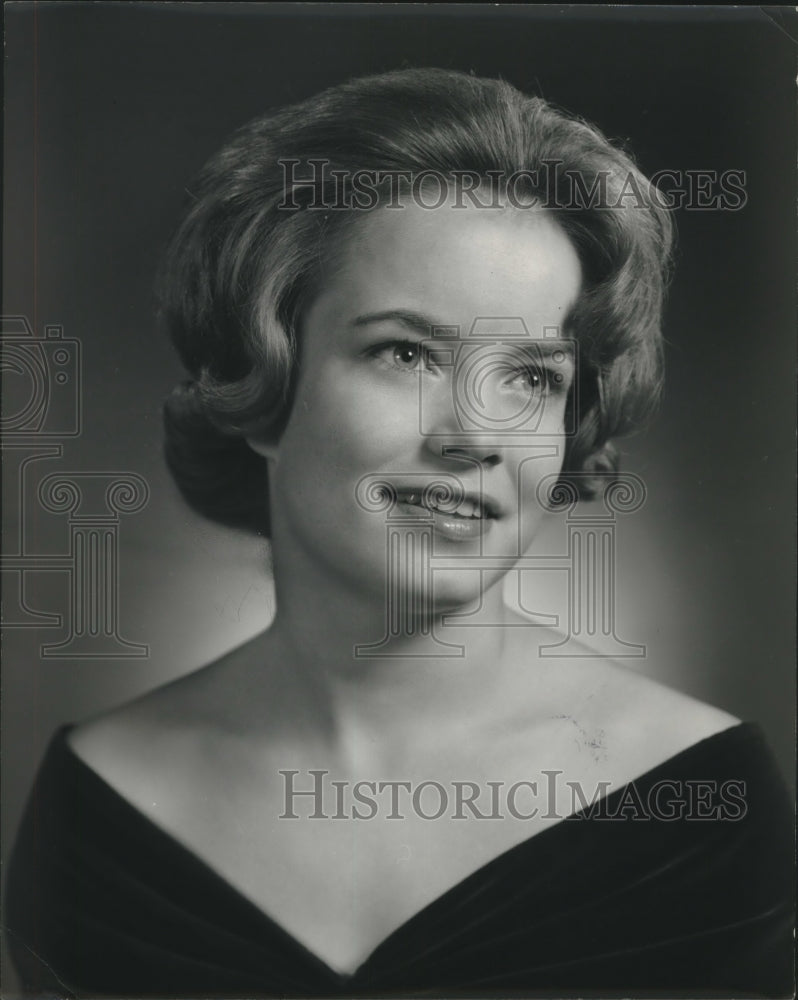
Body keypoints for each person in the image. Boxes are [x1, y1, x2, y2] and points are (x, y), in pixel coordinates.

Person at [6, 68, 792, 997]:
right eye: (407, 353)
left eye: (533, 377)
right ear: (263, 385)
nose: (473, 435)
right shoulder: (97, 808)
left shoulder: (699, 809)